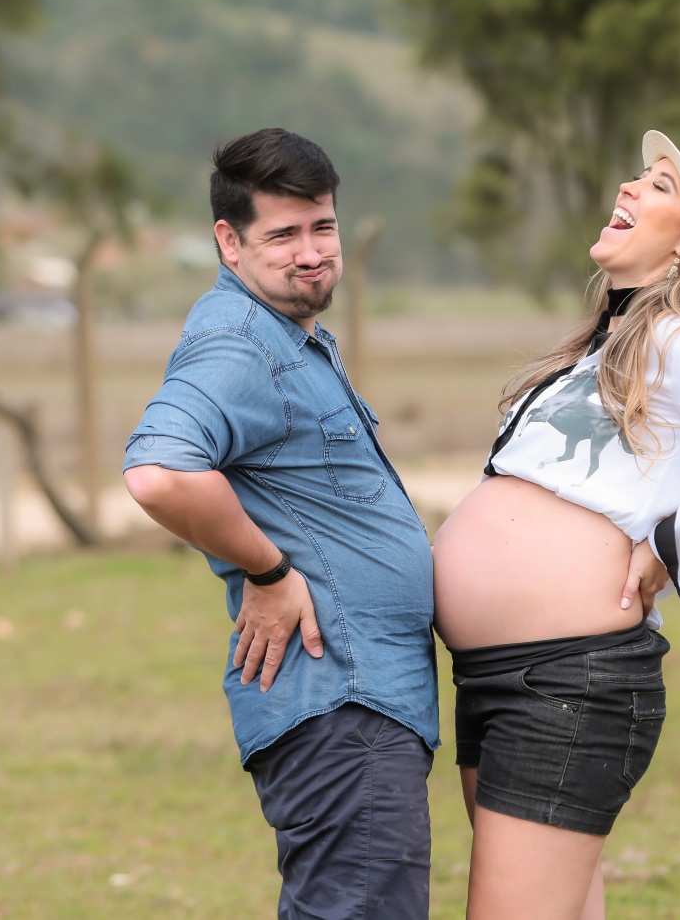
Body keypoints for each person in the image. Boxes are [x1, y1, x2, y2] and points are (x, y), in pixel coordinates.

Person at [432, 130, 680, 920]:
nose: (629, 187)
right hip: (497, 675)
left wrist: (675, 547)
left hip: (565, 682)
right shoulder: (595, 352)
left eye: (660, 186)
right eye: (639, 176)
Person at [122, 128, 438, 919]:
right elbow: (159, 473)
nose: (312, 252)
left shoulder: (285, 337)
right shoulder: (241, 344)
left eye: (323, 226)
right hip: (342, 702)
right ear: (229, 242)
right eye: (283, 234)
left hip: (360, 704)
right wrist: (268, 570)